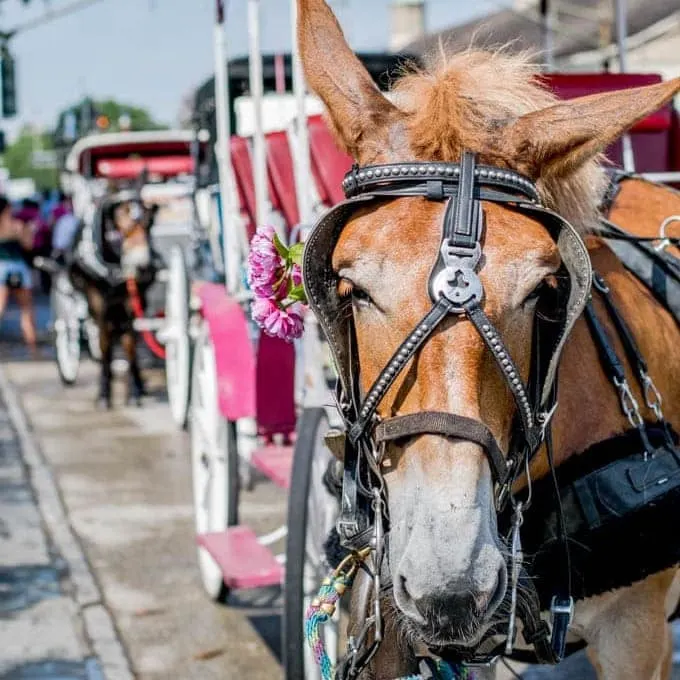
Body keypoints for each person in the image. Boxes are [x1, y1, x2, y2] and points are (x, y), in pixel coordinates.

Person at [0, 195, 36, 349]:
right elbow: (29, 246)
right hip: (18, 266)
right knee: (26, 310)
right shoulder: (18, 225)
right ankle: (31, 344)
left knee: (0, 307)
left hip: (1, 266)